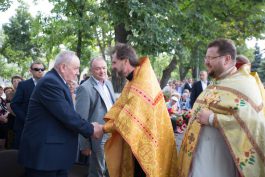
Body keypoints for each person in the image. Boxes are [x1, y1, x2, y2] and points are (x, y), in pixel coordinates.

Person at [177, 39, 265, 177]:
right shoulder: (216, 83)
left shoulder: (246, 84)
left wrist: (213, 119)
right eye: (206, 57)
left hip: (222, 163)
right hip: (200, 157)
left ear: (227, 59)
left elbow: (255, 123)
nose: (206, 62)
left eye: (210, 58)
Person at [18, 51, 104, 177]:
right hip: (45, 157)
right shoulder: (50, 82)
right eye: (75, 68)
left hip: (53, 156)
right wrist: (91, 129)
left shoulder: (56, 81)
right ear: (63, 67)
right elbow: (67, 115)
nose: (77, 72)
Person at [103, 44, 178, 177]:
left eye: (114, 62)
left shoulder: (142, 82)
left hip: (146, 146)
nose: (112, 66)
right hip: (138, 141)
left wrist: (103, 129)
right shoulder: (135, 78)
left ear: (125, 60)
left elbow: (128, 119)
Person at [75, 57, 115, 177]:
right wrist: (84, 145)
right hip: (97, 136)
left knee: (111, 169)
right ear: (91, 70)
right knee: (97, 171)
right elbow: (81, 119)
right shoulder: (85, 88)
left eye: (104, 68)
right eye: (98, 69)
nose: (102, 71)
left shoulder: (108, 84)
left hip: (112, 133)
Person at [11, 60, 45, 149]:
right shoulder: (23, 85)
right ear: (31, 71)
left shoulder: (47, 84)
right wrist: (26, 119)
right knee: (19, 155)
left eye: (42, 69)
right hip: (24, 126)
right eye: (37, 69)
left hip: (41, 127)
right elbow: (14, 104)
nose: (40, 71)